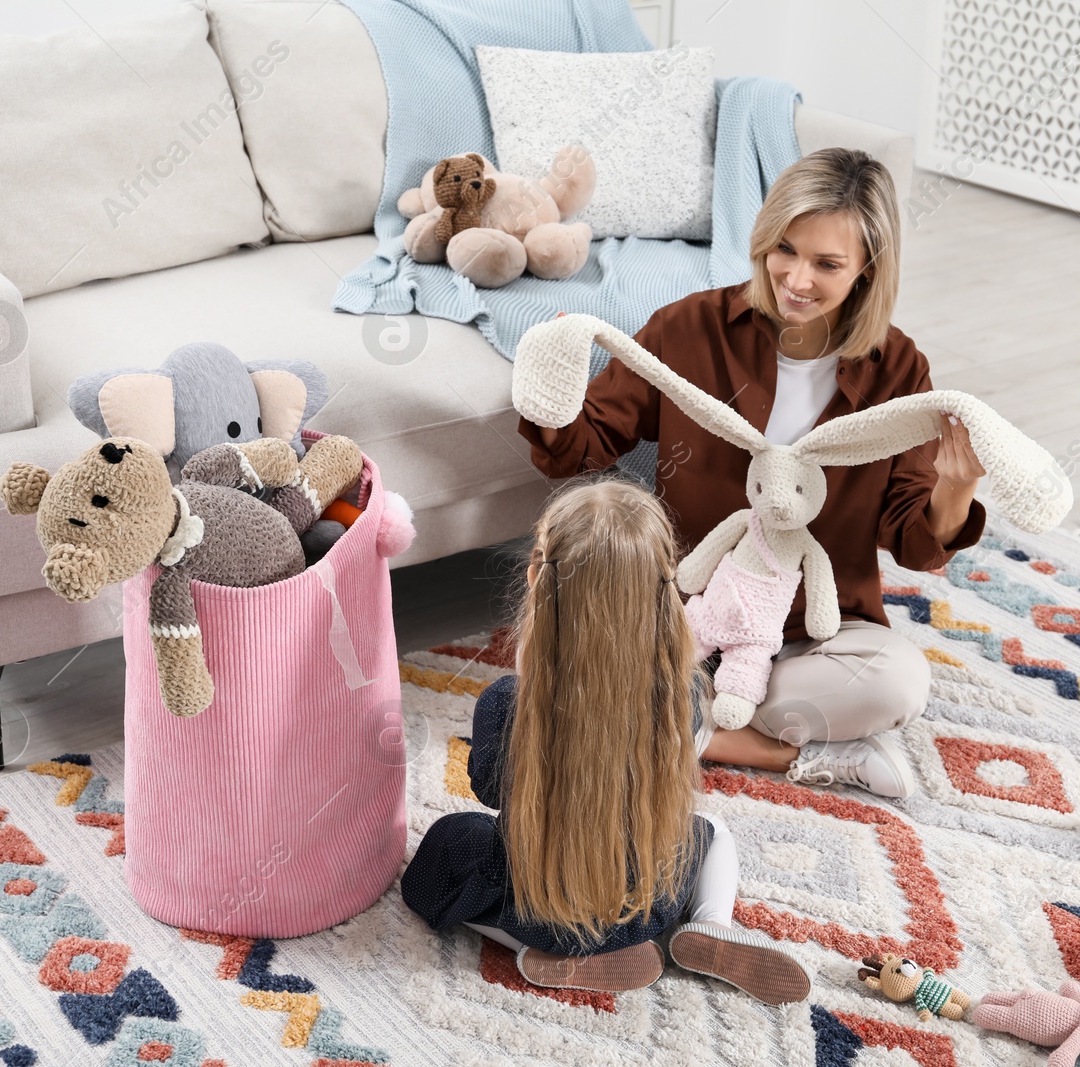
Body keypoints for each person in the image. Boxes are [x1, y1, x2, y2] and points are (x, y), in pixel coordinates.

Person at [518, 148, 987, 799]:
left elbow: (910, 538)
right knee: (563, 651)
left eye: (827, 264)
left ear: (868, 270)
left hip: (811, 635)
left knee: (899, 682)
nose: (796, 278)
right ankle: (768, 744)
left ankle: (666, 724)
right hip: (686, 618)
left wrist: (955, 488)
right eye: (784, 250)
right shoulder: (690, 329)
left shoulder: (898, 368)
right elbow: (580, 447)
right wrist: (553, 382)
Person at [400, 478, 810, 1002]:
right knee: (710, 831)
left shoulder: (507, 703)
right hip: (648, 906)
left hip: (536, 908)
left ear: (536, 581)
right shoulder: (679, 698)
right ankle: (712, 922)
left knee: (442, 850)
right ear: (663, 594)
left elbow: (489, 790)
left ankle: (550, 954)